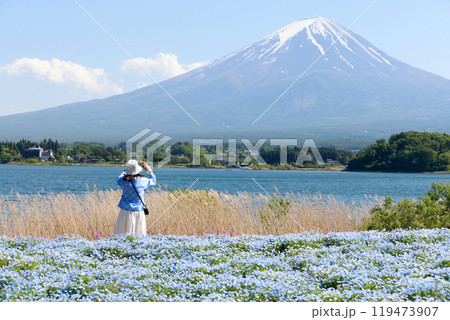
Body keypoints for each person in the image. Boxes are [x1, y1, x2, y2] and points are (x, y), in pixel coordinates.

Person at [113, 160, 156, 235]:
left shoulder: (122, 181)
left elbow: (118, 177)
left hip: (124, 212)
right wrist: (149, 170)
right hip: (138, 211)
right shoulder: (142, 181)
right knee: (138, 234)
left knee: (121, 233)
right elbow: (153, 180)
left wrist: (126, 171)